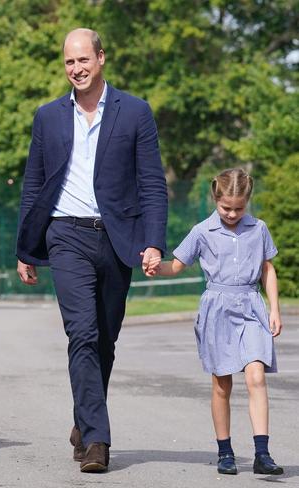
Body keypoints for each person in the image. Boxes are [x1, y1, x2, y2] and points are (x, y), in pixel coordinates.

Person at [15, 28, 168, 472]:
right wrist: (26, 246)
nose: (76, 69)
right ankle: (98, 441)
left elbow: (152, 183)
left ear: (101, 58)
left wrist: (154, 241)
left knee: (105, 338)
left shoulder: (135, 112)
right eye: (69, 62)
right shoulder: (47, 117)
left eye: (83, 60)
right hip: (65, 236)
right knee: (81, 333)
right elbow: (33, 185)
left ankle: (84, 420)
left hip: (118, 239)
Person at [151, 168, 283, 476]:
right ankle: (225, 452)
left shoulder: (258, 228)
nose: (233, 213)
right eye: (226, 208)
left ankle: (262, 453)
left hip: (251, 306)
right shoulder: (201, 231)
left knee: (256, 377)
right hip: (217, 309)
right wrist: (155, 266)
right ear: (216, 199)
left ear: (247, 202)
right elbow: (177, 266)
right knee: (222, 383)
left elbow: (267, 269)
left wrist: (274, 308)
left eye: (239, 208)